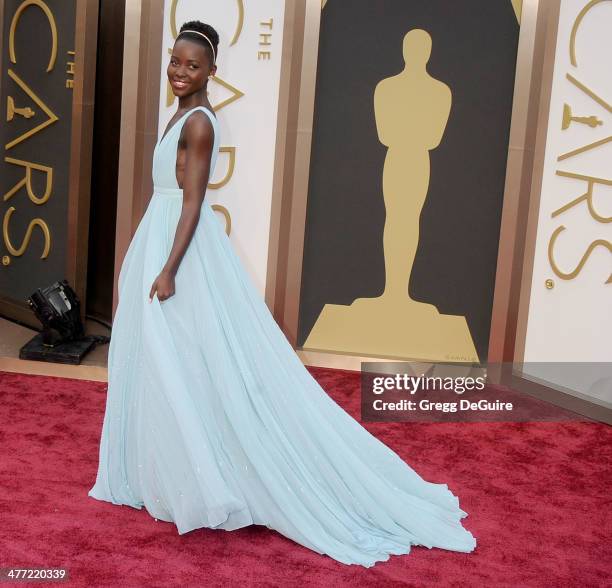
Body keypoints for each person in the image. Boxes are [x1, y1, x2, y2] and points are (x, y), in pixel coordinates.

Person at [89, 20, 477, 567]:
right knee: (172, 360)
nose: (180, 71)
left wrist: (169, 268)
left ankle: (207, 472)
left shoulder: (198, 123)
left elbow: (194, 201)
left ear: (212, 72)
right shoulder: (179, 112)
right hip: (161, 235)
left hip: (179, 249)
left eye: (192, 65)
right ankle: (178, 468)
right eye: (175, 62)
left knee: (190, 360)